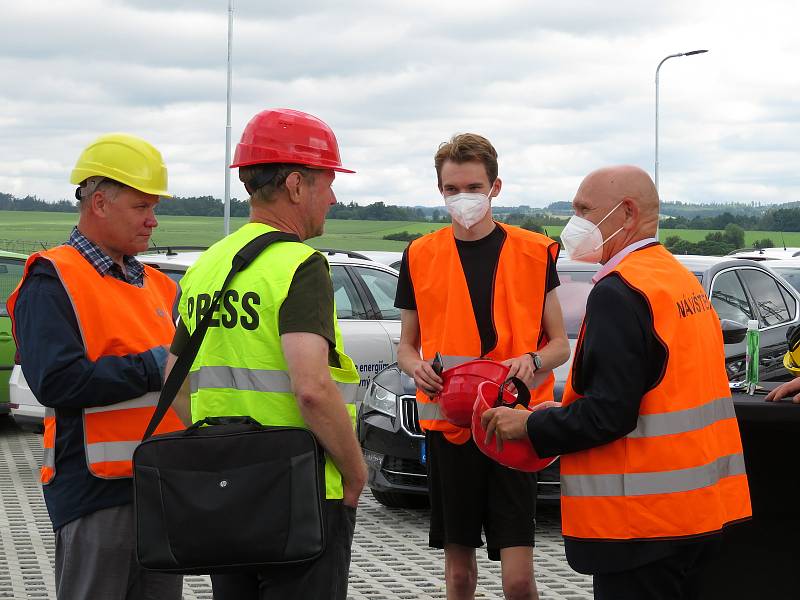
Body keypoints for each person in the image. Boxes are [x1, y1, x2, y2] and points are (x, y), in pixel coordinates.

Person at [481, 165, 752, 600]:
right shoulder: (675, 278)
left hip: (640, 526)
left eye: (584, 210)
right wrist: (563, 410)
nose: (575, 222)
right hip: (698, 515)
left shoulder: (620, 291)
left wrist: (528, 426)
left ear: (626, 213)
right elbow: (655, 392)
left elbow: (611, 414)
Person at [164, 108, 366, 600]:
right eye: (327, 181)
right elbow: (313, 389)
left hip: (227, 489)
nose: (334, 197)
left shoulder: (207, 266)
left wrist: (230, 448)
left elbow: (173, 378)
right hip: (299, 490)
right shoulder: (300, 265)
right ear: (296, 184)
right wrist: (356, 472)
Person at [6, 133, 185, 600]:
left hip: (160, 487)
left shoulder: (160, 287)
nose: (153, 221)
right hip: (94, 490)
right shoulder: (53, 278)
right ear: (100, 203)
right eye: (142, 207)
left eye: (155, 208)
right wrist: (152, 366)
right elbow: (55, 382)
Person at [395, 133, 570, 600]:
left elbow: (559, 345)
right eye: (452, 189)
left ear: (495, 187)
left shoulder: (535, 251)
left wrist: (531, 360)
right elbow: (406, 349)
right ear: (440, 191)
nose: (462, 198)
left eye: (473, 187)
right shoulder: (420, 255)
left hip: (513, 424)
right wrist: (416, 369)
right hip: (449, 427)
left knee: (517, 581)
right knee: (458, 578)